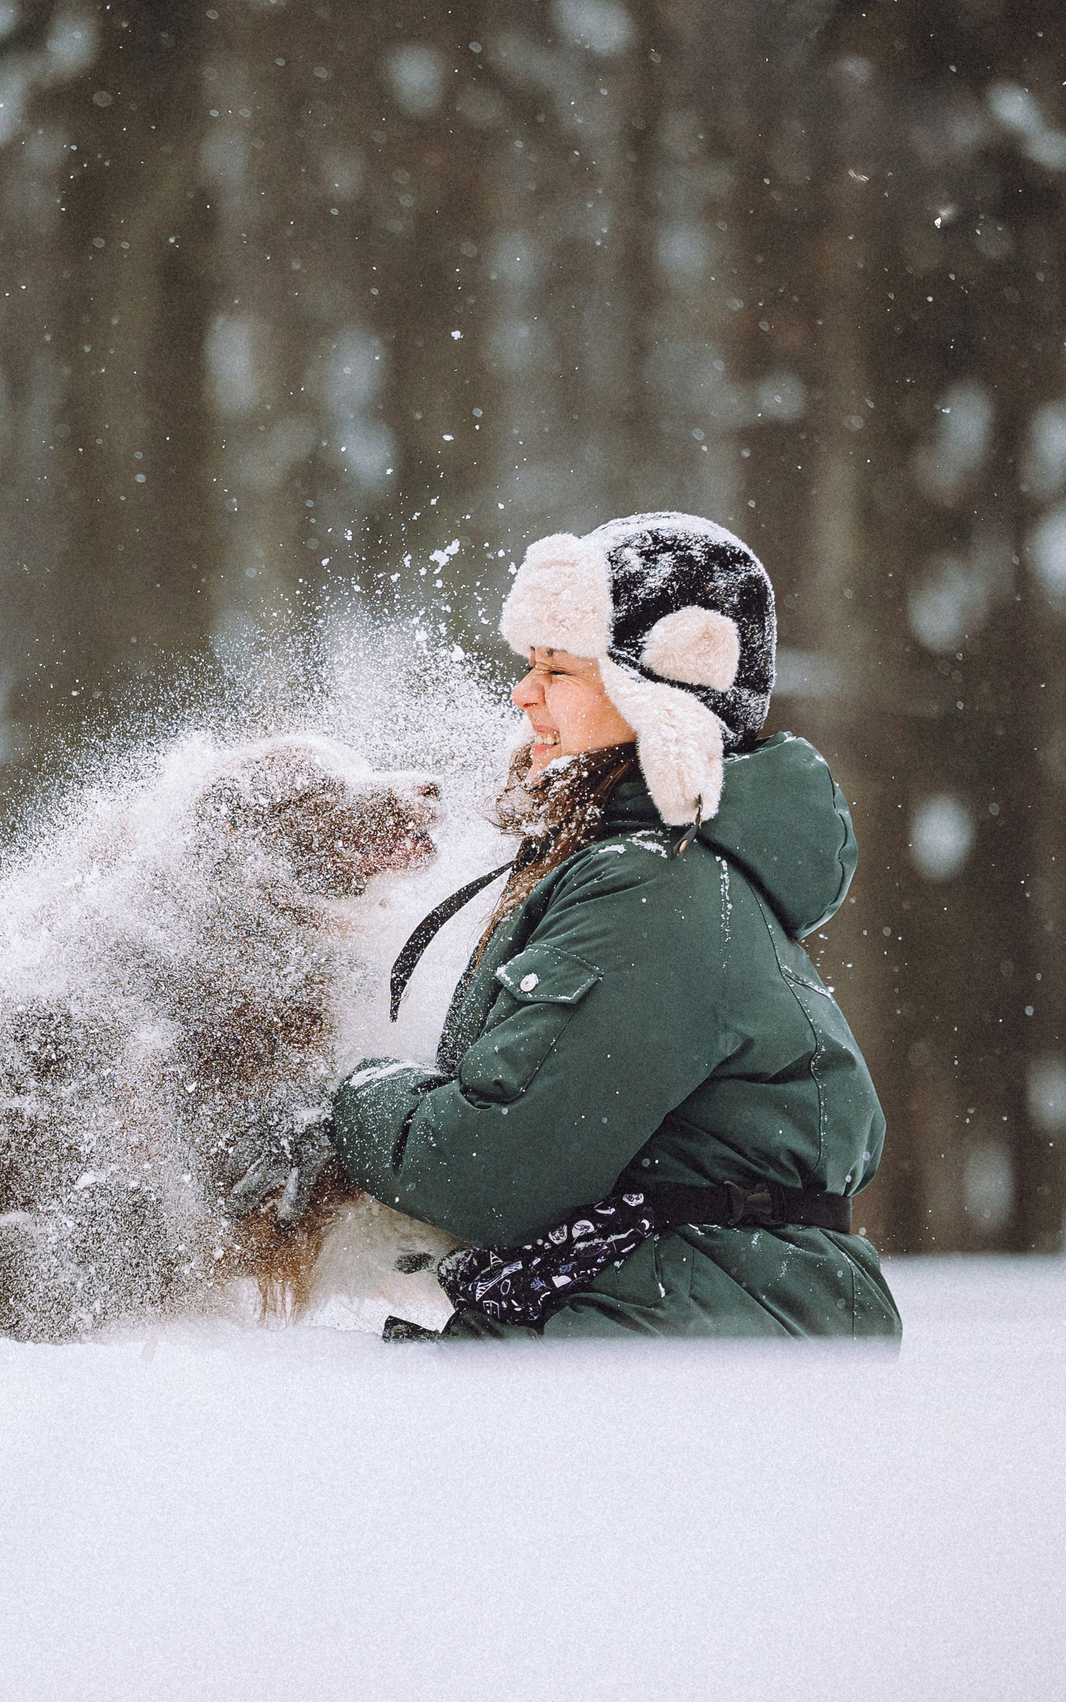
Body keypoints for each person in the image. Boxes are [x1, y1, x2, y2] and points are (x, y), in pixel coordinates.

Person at [334, 512, 902, 1338]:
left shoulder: (653, 887)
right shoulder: (646, 869)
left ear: (659, 697)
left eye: (558, 669)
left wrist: (345, 1097)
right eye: (528, 664)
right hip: (697, 1308)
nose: (524, 692)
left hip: (701, 1328)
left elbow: (495, 1164)